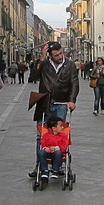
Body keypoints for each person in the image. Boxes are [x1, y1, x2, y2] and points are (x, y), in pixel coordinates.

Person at [29, 41, 79, 177]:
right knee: (42, 136)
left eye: (61, 53)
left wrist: (72, 100)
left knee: (60, 135)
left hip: (61, 104)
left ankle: (58, 165)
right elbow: (33, 76)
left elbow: (74, 83)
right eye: (56, 55)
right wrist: (41, 58)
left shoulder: (69, 65)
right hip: (44, 104)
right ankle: (39, 165)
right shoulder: (44, 64)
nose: (60, 56)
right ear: (50, 55)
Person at [38, 116, 70, 180]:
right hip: (48, 152)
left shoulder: (64, 136)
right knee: (41, 152)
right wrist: (45, 148)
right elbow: (43, 143)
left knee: (58, 153)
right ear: (54, 128)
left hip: (59, 153)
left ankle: (55, 170)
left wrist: (56, 148)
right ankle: (44, 170)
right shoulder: (45, 136)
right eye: (60, 126)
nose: (62, 127)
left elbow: (64, 145)